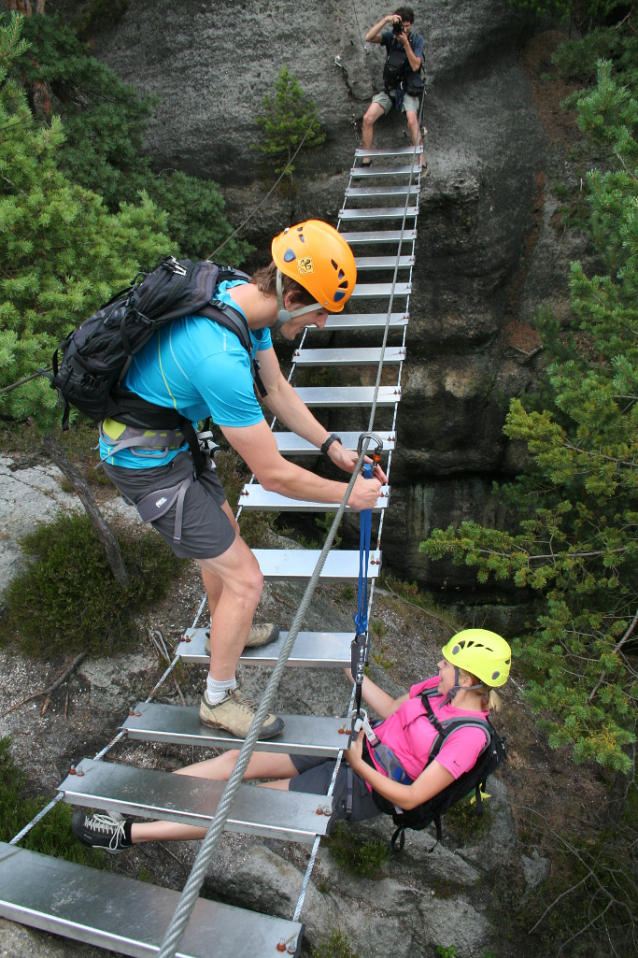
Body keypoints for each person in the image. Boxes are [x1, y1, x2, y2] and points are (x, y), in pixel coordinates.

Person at [98, 220, 386, 741]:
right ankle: (218, 698)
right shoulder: (219, 357)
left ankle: (221, 632)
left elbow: (275, 386)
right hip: (145, 462)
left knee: (225, 540)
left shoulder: (240, 298)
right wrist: (349, 497)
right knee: (246, 578)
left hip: (172, 442)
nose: (322, 323)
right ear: (293, 295)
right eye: (321, 309)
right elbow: (272, 475)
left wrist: (331, 447)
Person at [71, 630, 511, 852]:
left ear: (469, 679)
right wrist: (352, 672)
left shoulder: (468, 738)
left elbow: (414, 797)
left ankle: (128, 834)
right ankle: (136, 799)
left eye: (450, 663)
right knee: (235, 762)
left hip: (363, 786)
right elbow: (395, 712)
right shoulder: (440, 687)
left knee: (246, 803)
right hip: (352, 743)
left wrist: (358, 764)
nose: (440, 663)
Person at [362, 6, 426, 169]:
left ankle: (421, 161)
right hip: (391, 88)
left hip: (409, 88)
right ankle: (366, 160)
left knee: (412, 121)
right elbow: (369, 37)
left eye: (407, 26)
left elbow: (415, 65)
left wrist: (405, 44)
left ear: (411, 24)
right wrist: (386, 20)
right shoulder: (391, 37)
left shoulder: (416, 40)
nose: (404, 29)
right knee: (367, 118)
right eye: (401, 26)